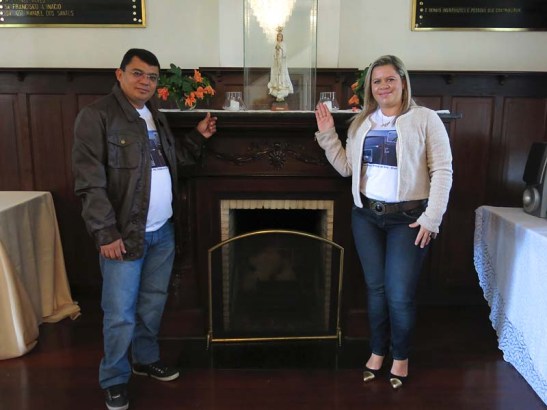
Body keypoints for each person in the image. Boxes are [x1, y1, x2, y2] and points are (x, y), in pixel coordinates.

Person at [72, 48, 217, 410]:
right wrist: (105, 233)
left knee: (152, 303)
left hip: (162, 231)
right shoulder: (96, 116)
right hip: (123, 234)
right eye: (137, 73)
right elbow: (89, 182)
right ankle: (114, 378)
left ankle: (144, 359)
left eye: (152, 77)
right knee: (119, 313)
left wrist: (198, 137)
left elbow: (171, 163)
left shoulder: (154, 115)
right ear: (119, 74)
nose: (145, 82)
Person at [314, 55, 452, 389]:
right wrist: (328, 134)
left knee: (399, 294)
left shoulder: (426, 119)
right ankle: (377, 350)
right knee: (375, 289)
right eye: (377, 81)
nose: (383, 86)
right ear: (370, 88)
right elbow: (347, 168)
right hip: (366, 217)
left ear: (403, 82)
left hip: (409, 220)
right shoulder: (362, 123)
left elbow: (442, 170)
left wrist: (432, 218)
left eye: (390, 79)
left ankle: (400, 356)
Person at [267, 28, 294, 102]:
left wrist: (281, 48)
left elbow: (285, 53)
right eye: (278, 36)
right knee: (276, 74)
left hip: (282, 62)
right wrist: (276, 49)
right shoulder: (275, 44)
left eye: (280, 36)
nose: (279, 38)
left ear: (282, 37)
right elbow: (273, 54)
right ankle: (276, 87)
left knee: (282, 75)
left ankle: (282, 88)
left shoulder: (283, 44)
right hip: (276, 63)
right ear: (277, 37)